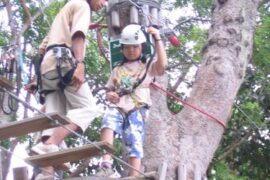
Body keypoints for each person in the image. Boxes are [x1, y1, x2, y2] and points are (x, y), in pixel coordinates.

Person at [29, 0, 106, 179]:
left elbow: (42, 47)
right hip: (63, 63)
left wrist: (36, 79)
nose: (104, 3)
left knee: (55, 117)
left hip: (47, 67)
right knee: (88, 109)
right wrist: (80, 64)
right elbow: (78, 35)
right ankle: (50, 145)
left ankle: (46, 173)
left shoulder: (64, 10)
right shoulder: (82, 5)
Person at [95, 24, 167, 177]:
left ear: (141, 47)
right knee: (108, 121)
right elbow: (110, 89)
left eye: (135, 47)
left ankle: (133, 175)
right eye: (127, 47)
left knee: (135, 138)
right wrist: (110, 95)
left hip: (137, 107)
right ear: (122, 49)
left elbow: (162, 66)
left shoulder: (146, 66)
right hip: (120, 105)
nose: (131, 50)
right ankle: (105, 163)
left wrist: (157, 39)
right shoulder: (117, 69)